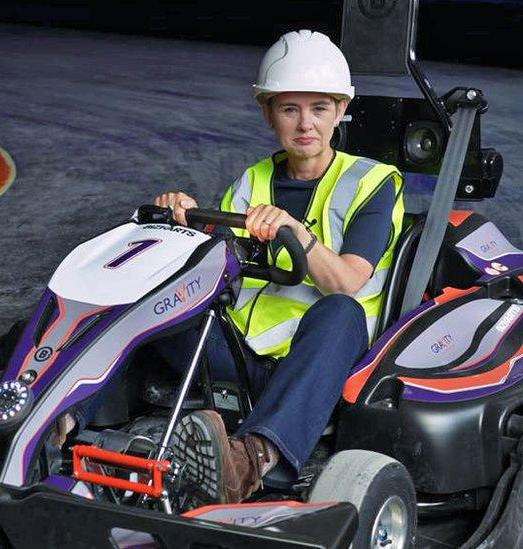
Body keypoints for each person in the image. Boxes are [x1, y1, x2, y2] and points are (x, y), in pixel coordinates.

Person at [154, 30, 406, 504]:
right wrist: (185, 225)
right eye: (290, 109)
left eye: (319, 109)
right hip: (239, 356)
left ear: (340, 111)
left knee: (340, 311)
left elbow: (348, 281)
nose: (305, 123)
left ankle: (252, 460)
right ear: (269, 113)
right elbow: (217, 271)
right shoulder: (253, 180)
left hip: (321, 361)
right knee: (162, 297)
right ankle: (63, 416)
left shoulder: (371, 182)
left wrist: (296, 231)